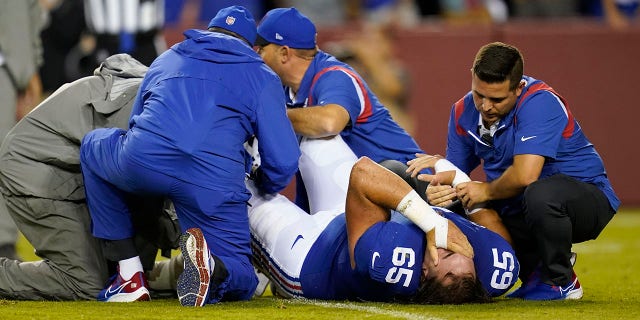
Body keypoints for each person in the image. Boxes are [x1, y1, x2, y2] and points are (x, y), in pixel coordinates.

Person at [79, 5, 300, 306]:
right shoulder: (261, 75)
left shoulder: (169, 56)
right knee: (243, 275)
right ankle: (213, 266)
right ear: (252, 46)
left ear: (210, 31)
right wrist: (264, 182)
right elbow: (284, 160)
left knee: (93, 146)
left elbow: (136, 121)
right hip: (211, 181)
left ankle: (129, 275)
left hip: (146, 161)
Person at [420, 42, 619, 301]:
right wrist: (440, 192)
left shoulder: (540, 101)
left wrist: (486, 191)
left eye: (497, 99)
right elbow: (455, 172)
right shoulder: (461, 112)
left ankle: (560, 280)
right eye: (479, 94)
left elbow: (526, 175)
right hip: (523, 203)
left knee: (538, 194)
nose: (486, 106)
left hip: (586, 199)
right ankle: (524, 272)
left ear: (519, 87)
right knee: (461, 204)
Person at [248, 136, 519, 303]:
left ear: (423, 272)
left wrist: (433, 221)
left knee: (239, 192)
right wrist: (460, 180)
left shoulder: (389, 261)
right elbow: (493, 233)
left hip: (312, 256)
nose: (455, 241)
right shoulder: (494, 270)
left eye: (447, 254)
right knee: (320, 136)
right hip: (358, 209)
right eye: (464, 252)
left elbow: (364, 172)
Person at [0, 53, 181, 301]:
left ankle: (174, 274)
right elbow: (149, 192)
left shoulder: (172, 96)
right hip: (35, 166)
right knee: (86, 281)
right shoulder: (156, 116)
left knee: (123, 272)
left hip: (75, 165)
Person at [254, 7, 426, 209]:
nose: (257, 56)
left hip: (413, 194)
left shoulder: (335, 75)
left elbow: (329, 122)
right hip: (368, 200)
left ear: (284, 52)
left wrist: (269, 116)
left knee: (315, 143)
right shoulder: (285, 91)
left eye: (261, 49)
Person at [0, 0, 45, 261]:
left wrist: (28, 68)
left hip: (8, 66)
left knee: (5, 157)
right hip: (9, 66)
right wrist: (27, 69)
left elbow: (29, 13)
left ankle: (3, 243)